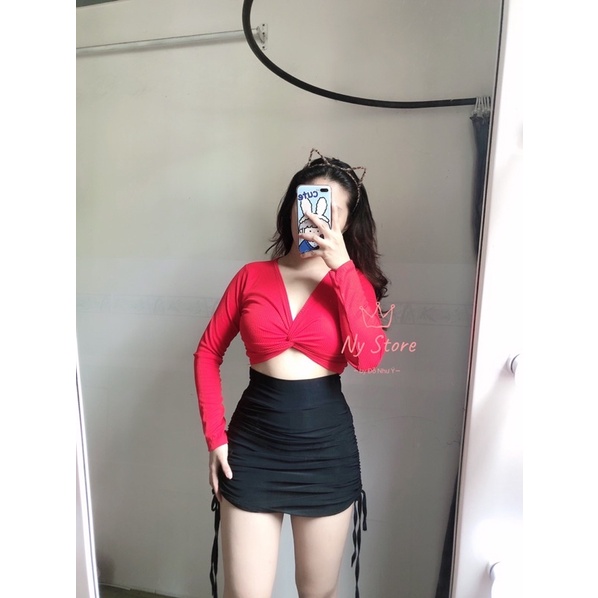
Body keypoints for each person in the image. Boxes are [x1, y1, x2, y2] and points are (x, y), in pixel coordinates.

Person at [194, 149, 389, 598]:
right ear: (292, 207)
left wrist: (343, 268)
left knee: (317, 593)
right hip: (252, 448)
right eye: (308, 202)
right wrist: (215, 438)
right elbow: (207, 353)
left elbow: (368, 358)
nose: (316, 217)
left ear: (347, 222)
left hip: (325, 454)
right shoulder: (251, 277)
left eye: (331, 210)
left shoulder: (353, 284)